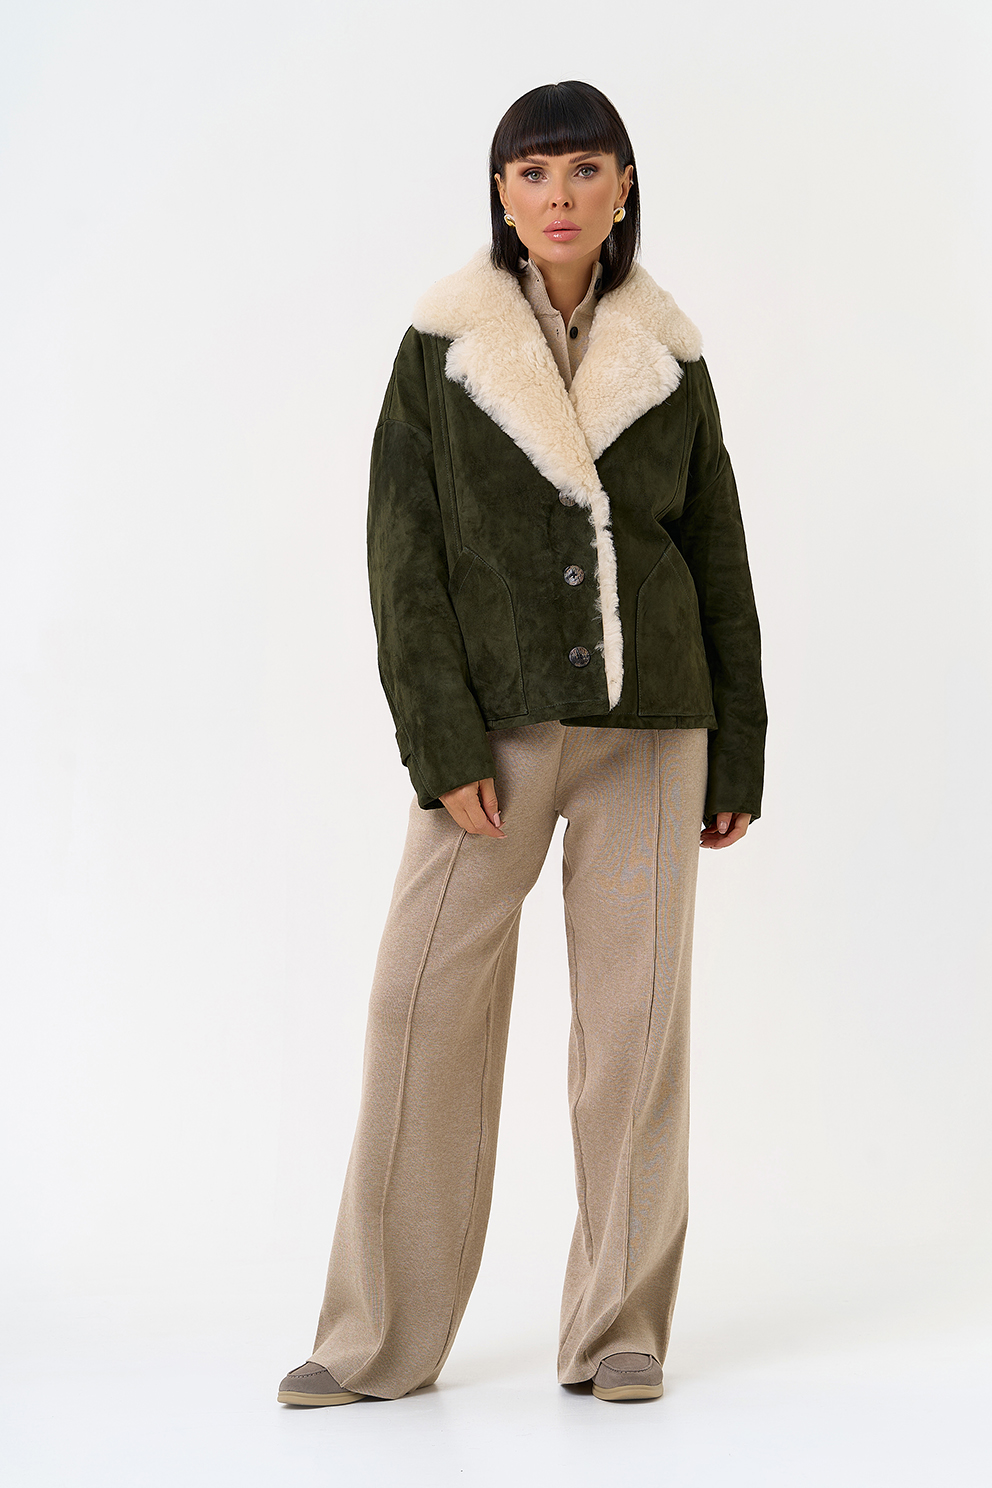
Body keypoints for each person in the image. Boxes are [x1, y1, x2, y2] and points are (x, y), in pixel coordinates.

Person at [278, 79, 766, 1408]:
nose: (559, 195)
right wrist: (439, 737)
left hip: (651, 732)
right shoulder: (442, 348)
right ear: (500, 193)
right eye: (534, 172)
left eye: (585, 169)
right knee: (418, 1005)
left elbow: (717, 553)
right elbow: (403, 557)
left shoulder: (670, 352)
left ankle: (618, 1330)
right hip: (487, 740)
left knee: (634, 1027)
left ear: (623, 188)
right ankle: (375, 1338)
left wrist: (737, 749)